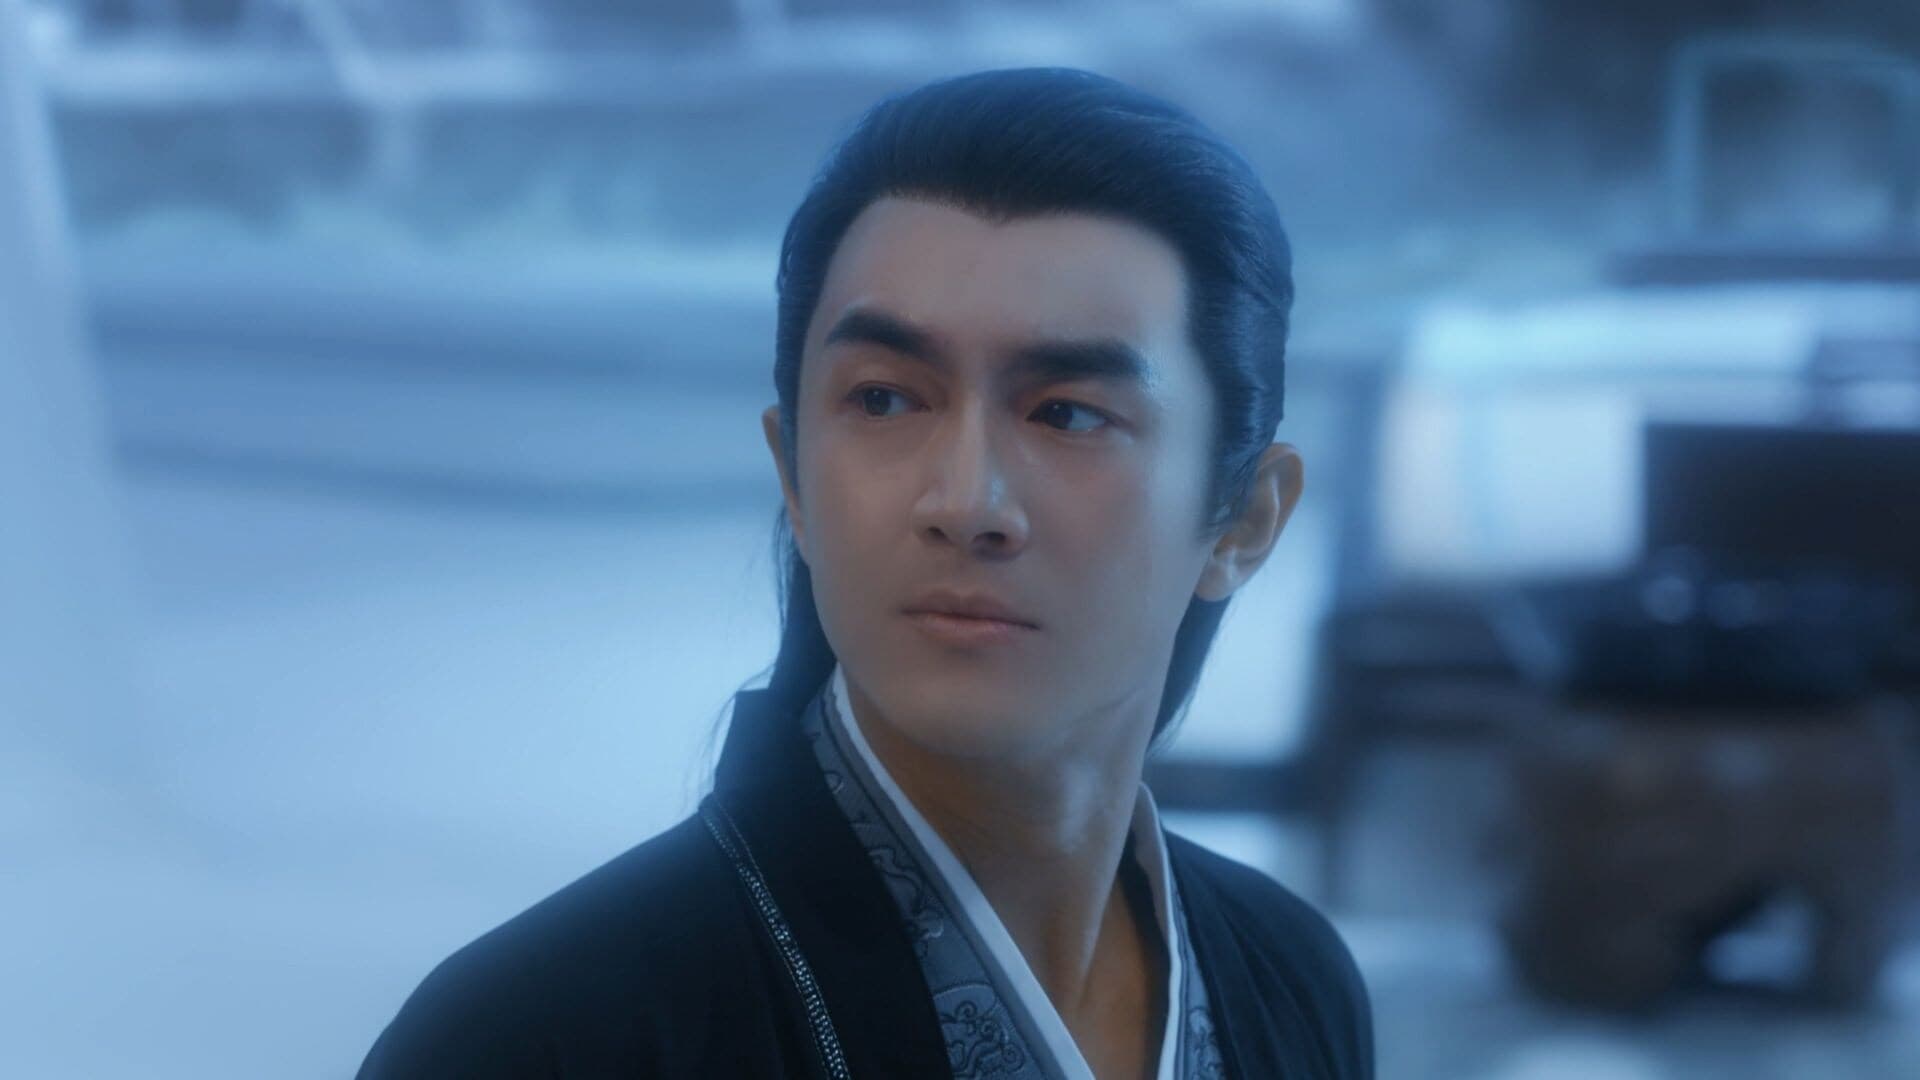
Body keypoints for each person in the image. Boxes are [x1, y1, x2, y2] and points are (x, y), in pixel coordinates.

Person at [357, 66, 1373, 1079]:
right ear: (793, 477)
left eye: (1066, 413)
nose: (966, 502)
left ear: (1244, 520)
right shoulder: (540, 1036)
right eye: (885, 399)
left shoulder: (1288, 976)